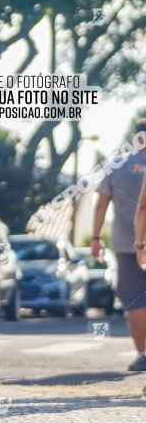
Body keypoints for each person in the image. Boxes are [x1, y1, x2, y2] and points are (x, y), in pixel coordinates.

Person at [94, 117, 146, 372]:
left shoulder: (117, 164)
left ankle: (142, 354)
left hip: (126, 244)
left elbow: (102, 204)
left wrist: (95, 238)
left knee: (135, 300)